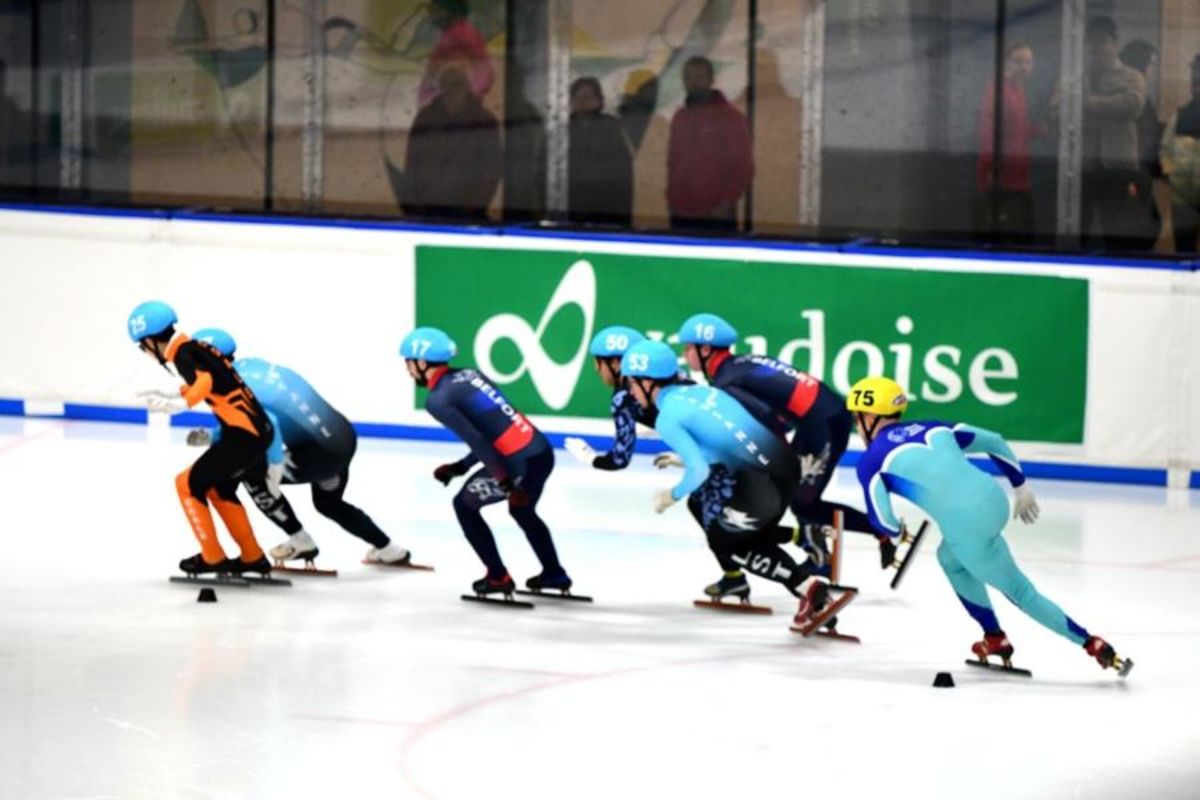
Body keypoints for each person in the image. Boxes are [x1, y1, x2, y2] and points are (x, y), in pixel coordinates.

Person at [846, 375, 1132, 676]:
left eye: (857, 418)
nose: (856, 426)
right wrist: (1020, 486)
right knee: (949, 558)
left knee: (1021, 593)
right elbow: (994, 440)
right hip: (996, 501)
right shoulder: (935, 427)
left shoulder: (871, 461)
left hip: (968, 527)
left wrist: (897, 531)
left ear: (870, 415)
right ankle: (993, 637)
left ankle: (1091, 643)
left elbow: (882, 521)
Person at [620, 340, 833, 628]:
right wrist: (683, 458)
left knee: (725, 542)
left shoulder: (667, 417)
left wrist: (669, 496)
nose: (631, 392)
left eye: (631, 383)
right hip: (785, 465)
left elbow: (698, 473)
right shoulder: (702, 391)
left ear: (647, 382)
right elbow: (728, 439)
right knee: (709, 508)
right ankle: (804, 541)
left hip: (760, 484)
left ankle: (807, 588)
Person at [672, 313, 889, 590]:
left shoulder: (727, 381)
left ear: (705, 350)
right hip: (823, 417)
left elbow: (765, 419)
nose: (684, 354)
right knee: (799, 500)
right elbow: (776, 409)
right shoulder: (739, 364)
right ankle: (824, 548)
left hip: (822, 423)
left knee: (799, 502)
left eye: (688, 348)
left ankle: (876, 532)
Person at [187, 328, 411, 567]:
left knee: (250, 473)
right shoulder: (254, 366)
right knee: (329, 504)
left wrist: (271, 465)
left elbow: (262, 426)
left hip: (321, 453)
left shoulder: (235, 387)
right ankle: (389, 548)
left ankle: (300, 541)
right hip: (342, 438)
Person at [400, 326, 570, 597]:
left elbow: (478, 441)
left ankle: (498, 577)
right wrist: (460, 467)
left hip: (518, 464)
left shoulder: (438, 399)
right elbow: (495, 430)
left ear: (421, 363)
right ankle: (554, 574)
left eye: (408, 363)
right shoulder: (469, 375)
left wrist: (506, 484)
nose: (407, 370)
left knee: (464, 506)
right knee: (523, 512)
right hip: (540, 452)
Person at [127, 302, 273, 577]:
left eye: (141, 347)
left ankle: (213, 557)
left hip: (242, 435)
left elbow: (204, 382)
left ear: (149, 341)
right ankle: (252, 556)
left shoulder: (182, 354)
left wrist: (180, 403)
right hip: (257, 432)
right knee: (219, 488)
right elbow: (214, 382)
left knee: (186, 484)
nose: (144, 353)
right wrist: (175, 394)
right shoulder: (196, 347)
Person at [401, 65, 502, 222]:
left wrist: (475, 208)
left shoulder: (485, 121)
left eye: (458, 83)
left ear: (467, 86)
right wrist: (415, 205)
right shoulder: (425, 118)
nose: (453, 89)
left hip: (469, 213)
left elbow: (491, 169)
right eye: (448, 84)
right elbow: (412, 163)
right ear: (441, 87)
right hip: (428, 210)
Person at [1081, 16, 1147, 250]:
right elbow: (1057, 109)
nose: (1098, 47)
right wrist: (1104, 105)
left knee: (1115, 230)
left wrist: (1087, 104)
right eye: (1092, 42)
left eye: (1103, 41)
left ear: (1115, 43)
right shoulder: (1076, 76)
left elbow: (1131, 106)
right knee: (1080, 230)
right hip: (1083, 165)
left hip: (1117, 166)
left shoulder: (1132, 76)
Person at [667, 56, 753, 232]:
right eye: (689, 76)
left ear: (712, 79)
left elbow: (743, 166)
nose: (694, 82)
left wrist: (728, 201)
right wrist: (671, 199)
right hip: (681, 212)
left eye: (700, 76)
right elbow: (673, 161)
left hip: (716, 213)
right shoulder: (680, 118)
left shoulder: (731, 118)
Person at [564, 326, 654, 471]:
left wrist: (590, 457)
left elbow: (619, 459)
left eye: (599, 362)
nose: (596, 369)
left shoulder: (623, 398)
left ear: (615, 363)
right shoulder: (666, 375)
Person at [976, 43, 1039, 243]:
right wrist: (990, 167)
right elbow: (988, 129)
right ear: (1006, 63)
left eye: (1028, 62)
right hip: (1000, 171)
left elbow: (1019, 129)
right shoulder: (996, 89)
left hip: (1019, 170)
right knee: (1001, 227)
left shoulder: (1020, 91)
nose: (1024, 67)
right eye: (1018, 61)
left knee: (1024, 226)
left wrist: (1043, 130)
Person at [568, 77, 634, 226]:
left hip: (607, 215)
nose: (582, 102)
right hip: (570, 215)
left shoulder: (612, 129)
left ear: (600, 101)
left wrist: (622, 219)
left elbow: (624, 176)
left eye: (587, 97)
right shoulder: (560, 134)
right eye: (577, 97)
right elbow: (542, 176)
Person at [1119, 39, 1165, 250]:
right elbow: (1139, 140)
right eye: (1152, 63)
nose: (1153, 70)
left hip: (1139, 174)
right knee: (1142, 231)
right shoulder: (1132, 99)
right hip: (1132, 175)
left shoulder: (1140, 96)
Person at [417, 0, 493, 108]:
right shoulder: (455, 33)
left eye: (436, 10)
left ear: (452, 11)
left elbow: (482, 74)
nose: (431, 16)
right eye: (430, 10)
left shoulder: (460, 35)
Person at [1161, 55, 1200, 253]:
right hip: (1183, 200)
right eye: (1195, 82)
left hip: (1183, 198)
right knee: (1184, 251)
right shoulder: (1182, 115)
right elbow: (1165, 151)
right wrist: (1172, 177)